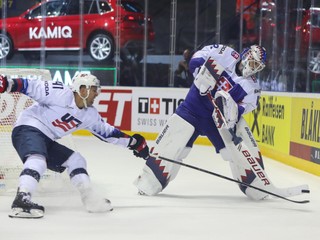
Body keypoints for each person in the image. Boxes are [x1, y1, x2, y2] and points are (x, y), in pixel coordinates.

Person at [0, 73, 150, 218]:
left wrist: (135, 143)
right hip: (28, 127)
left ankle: (90, 199)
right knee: (38, 158)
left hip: (46, 138)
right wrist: (7, 83)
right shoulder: (60, 93)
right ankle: (22, 200)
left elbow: (109, 133)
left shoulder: (89, 114)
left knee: (76, 160)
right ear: (82, 89)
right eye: (94, 90)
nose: (96, 94)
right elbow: (31, 86)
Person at [134, 44, 270, 199]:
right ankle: (149, 182)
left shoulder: (252, 87)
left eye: (258, 67)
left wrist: (232, 110)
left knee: (234, 152)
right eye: (253, 63)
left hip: (218, 123)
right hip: (192, 109)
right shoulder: (225, 53)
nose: (253, 68)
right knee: (173, 145)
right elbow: (196, 58)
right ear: (246, 56)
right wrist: (200, 72)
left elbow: (242, 109)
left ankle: (257, 186)